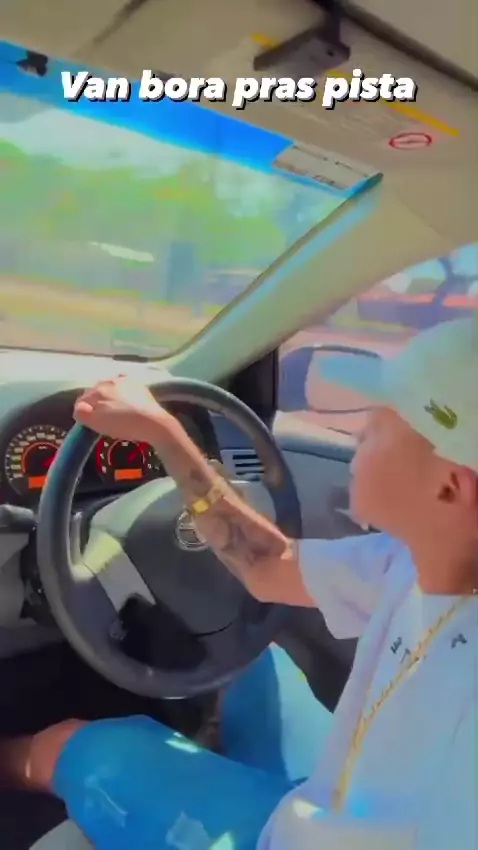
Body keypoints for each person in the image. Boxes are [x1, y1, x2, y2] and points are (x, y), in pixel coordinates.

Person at [2, 317, 477, 850]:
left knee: (75, 747)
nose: (359, 435)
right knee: (255, 663)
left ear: (449, 488)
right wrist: (164, 434)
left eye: (380, 428)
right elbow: (269, 565)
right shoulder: (403, 561)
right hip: (335, 805)